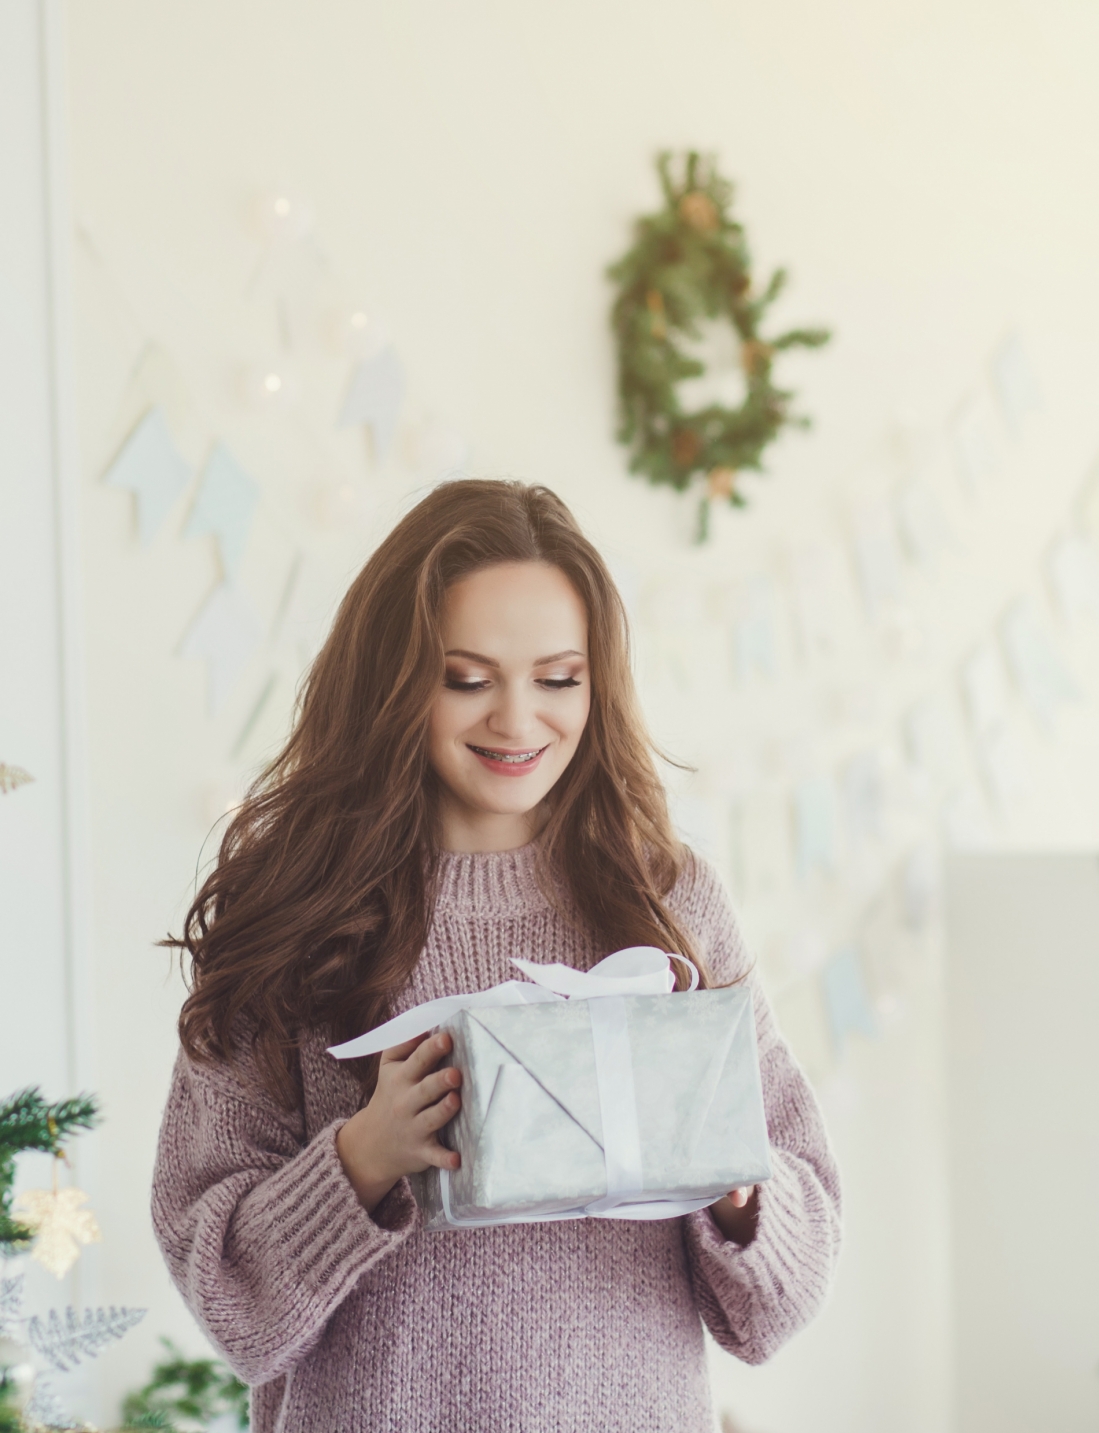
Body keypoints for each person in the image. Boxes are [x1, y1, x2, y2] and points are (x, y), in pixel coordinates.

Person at [153, 480, 840, 1433]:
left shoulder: (668, 903)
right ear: (394, 680)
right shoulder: (298, 913)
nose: (518, 721)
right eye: (467, 678)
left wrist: (731, 1181)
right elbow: (227, 1303)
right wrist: (363, 1156)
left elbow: (779, 1301)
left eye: (558, 678)